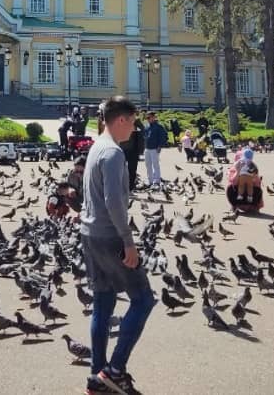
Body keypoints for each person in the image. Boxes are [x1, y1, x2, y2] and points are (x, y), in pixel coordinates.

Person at [81, 96, 154, 395]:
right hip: (110, 235)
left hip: (90, 233)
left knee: (103, 301)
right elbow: (113, 202)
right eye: (133, 122)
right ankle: (114, 369)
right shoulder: (113, 153)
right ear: (121, 119)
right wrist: (128, 241)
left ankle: (98, 375)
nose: (135, 128)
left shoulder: (97, 145)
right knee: (143, 300)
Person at [142, 112, 167, 187]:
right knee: (148, 165)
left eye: (149, 118)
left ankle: (157, 181)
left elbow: (163, 137)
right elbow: (144, 136)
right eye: (147, 118)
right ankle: (150, 180)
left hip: (154, 149)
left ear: (153, 117)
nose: (148, 119)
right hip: (147, 148)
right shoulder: (147, 126)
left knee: (155, 165)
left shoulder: (159, 127)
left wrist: (160, 146)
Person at [121, 118, 144, 191]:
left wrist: (137, 121)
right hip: (123, 150)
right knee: (122, 170)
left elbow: (143, 130)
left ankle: (130, 187)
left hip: (134, 151)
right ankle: (122, 186)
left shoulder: (137, 126)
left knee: (132, 171)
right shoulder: (123, 122)